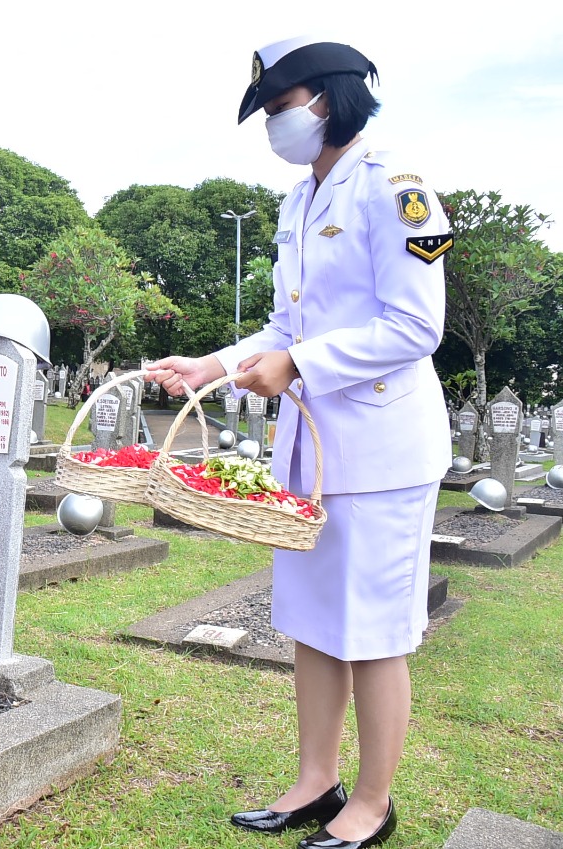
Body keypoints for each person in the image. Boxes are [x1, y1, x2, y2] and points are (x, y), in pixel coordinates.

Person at [150, 37, 451, 849]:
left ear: (326, 98)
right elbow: (289, 324)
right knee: (315, 622)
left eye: (279, 109)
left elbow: (418, 325)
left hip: (384, 451)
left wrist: (300, 363)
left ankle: (373, 802)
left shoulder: (397, 189)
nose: (273, 128)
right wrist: (215, 362)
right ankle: (317, 780)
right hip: (315, 451)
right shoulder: (299, 199)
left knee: (377, 632)